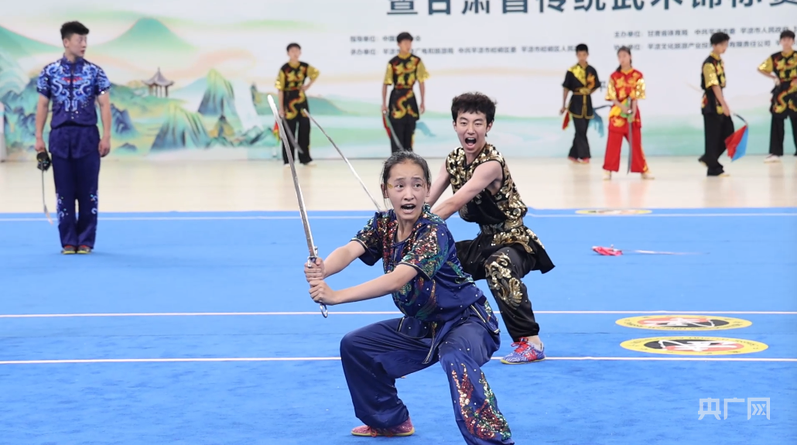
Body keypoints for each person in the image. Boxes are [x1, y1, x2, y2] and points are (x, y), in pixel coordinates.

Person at [304, 151, 513, 444]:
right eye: (399, 185)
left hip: (467, 322)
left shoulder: (434, 231)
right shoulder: (383, 224)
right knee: (356, 346)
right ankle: (390, 420)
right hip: (423, 325)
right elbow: (350, 249)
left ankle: (492, 440)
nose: (408, 194)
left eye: (417, 185)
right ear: (385, 190)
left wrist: (336, 296)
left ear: (427, 189)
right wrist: (324, 268)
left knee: (455, 356)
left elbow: (398, 279)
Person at [427, 92, 555, 365]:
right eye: (463, 122)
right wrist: (402, 219)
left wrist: (419, 227)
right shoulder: (453, 161)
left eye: (478, 123)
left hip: (515, 241)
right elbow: (428, 199)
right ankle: (447, 328)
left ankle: (531, 342)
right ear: (454, 125)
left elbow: (453, 203)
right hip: (485, 240)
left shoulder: (491, 164)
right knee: (433, 261)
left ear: (489, 126)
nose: (470, 129)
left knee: (498, 266)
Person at [34, 21, 111, 255]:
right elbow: (42, 105)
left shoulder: (96, 72)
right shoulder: (49, 72)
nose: (84, 44)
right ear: (66, 42)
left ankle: (86, 240)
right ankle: (68, 241)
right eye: (80, 40)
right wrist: (38, 138)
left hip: (87, 136)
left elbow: (105, 105)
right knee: (64, 192)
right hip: (59, 137)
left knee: (89, 192)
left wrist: (106, 136)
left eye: (86, 40)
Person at [603, 47, 654, 180]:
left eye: (624, 56)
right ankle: (608, 170)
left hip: (632, 113)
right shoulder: (614, 76)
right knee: (613, 144)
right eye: (620, 56)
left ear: (630, 57)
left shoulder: (638, 75)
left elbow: (637, 96)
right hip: (618, 113)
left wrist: (633, 111)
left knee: (636, 142)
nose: (622, 59)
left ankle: (643, 170)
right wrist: (622, 107)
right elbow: (612, 96)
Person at [382, 32, 429, 153]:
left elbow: (421, 82)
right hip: (396, 100)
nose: (408, 45)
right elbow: (386, 83)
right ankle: (396, 160)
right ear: (399, 44)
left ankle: (409, 160)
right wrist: (384, 104)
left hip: (410, 99)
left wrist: (422, 101)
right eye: (405, 42)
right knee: (396, 134)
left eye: (409, 43)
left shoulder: (416, 61)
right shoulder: (393, 62)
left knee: (410, 132)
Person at [276, 43, 319, 167]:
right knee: (288, 131)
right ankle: (288, 160)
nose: (295, 53)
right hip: (288, 101)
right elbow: (280, 89)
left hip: (302, 101)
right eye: (292, 51)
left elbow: (315, 73)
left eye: (297, 50)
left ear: (300, 52)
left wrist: (308, 85)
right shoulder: (284, 69)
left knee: (305, 129)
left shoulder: (304, 66)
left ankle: (305, 158)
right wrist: (281, 108)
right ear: (288, 53)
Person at [758, 30, 797, 163]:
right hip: (780, 91)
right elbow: (761, 68)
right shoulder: (774, 57)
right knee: (777, 122)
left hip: (795, 91)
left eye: (789, 39)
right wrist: (773, 77)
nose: (786, 42)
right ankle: (775, 152)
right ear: (780, 41)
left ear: (793, 41)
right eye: (784, 39)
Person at [700, 32, 733, 177]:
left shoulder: (719, 61)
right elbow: (714, 85)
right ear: (714, 45)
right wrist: (724, 104)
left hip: (718, 101)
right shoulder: (709, 63)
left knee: (728, 131)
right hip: (711, 104)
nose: (724, 47)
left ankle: (709, 158)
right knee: (713, 137)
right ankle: (713, 167)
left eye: (726, 44)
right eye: (722, 45)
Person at [560, 43, 600, 164]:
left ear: (587, 55)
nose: (582, 57)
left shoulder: (592, 70)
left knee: (582, 130)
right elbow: (566, 88)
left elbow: (596, 85)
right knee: (580, 129)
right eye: (579, 55)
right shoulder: (571, 71)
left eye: (584, 54)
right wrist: (563, 105)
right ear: (576, 55)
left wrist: (588, 92)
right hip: (576, 104)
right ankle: (585, 156)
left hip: (587, 103)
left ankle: (573, 154)